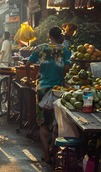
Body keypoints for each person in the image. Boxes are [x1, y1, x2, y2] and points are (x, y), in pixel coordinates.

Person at [25, 27, 71, 164]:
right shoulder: (66, 50)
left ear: (49, 35)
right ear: (60, 36)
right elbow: (67, 69)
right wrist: (60, 74)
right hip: (58, 89)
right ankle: (53, 150)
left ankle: (46, 155)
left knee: (43, 122)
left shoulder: (40, 48)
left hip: (42, 89)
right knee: (57, 121)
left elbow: (28, 64)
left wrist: (29, 79)